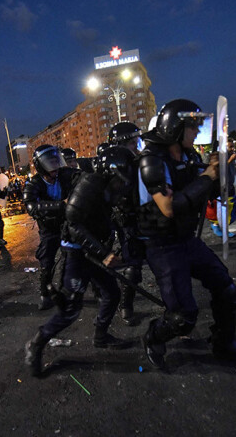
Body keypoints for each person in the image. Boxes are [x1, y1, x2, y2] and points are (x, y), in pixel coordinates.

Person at [138, 99, 236, 371]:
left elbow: (213, 194)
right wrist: (207, 176)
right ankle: (154, 336)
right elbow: (169, 207)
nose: (196, 132)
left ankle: (223, 343)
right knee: (183, 317)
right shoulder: (152, 159)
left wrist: (222, 170)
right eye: (192, 127)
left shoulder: (189, 156)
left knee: (227, 290)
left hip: (187, 239)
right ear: (174, 128)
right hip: (163, 245)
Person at [24, 146, 135, 376]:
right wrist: (62, 206)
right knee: (70, 308)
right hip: (75, 248)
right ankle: (36, 342)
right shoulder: (83, 187)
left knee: (112, 293)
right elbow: (73, 227)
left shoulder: (79, 177)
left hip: (92, 245)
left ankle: (101, 336)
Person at [24, 145, 78, 310]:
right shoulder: (33, 184)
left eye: (56, 161)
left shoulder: (64, 175)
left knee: (75, 258)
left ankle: (70, 291)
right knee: (47, 263)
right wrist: (59, 205)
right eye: (50, 162)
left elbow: (83, 177)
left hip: (67, 224)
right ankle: (45, 294)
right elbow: (31, 206)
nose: (55, 166)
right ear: (41, 165)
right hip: (49, 229)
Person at [108, 121, 145, 324]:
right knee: (133, 265)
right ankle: (126, 304)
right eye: (132, 143)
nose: (136, 147)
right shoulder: (112, 167)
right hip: (126, 221)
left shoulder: (139, 162)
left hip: (146, 219)